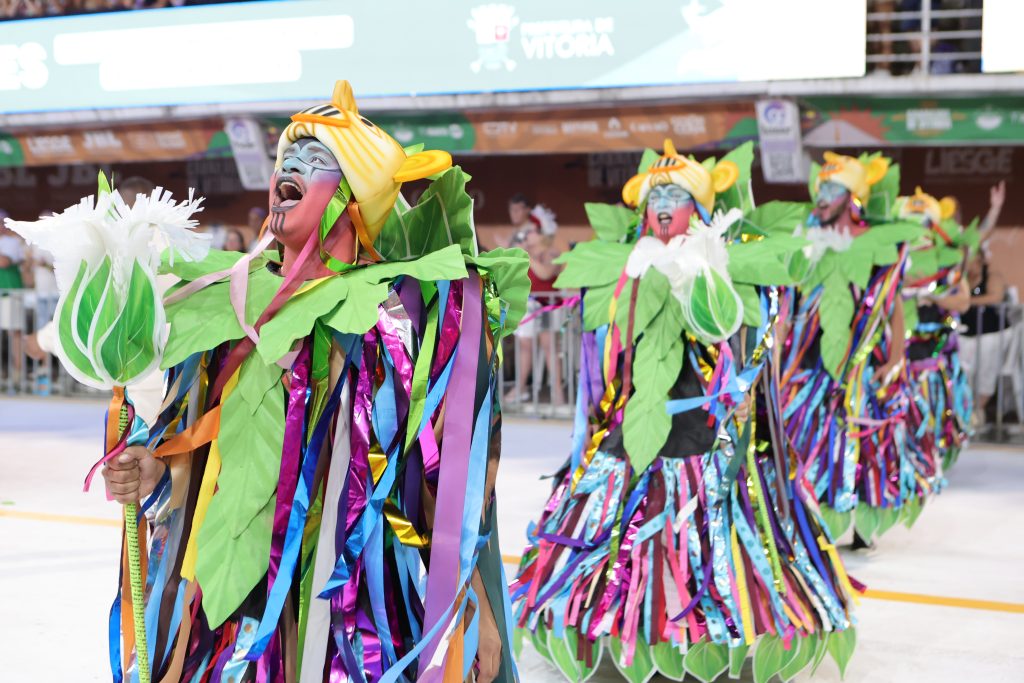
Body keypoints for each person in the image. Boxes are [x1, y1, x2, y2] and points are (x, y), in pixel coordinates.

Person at [96, 81, 527, 682]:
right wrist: (152, 469)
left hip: (346, 613)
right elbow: (198, 443)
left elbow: (440, 477)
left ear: (352, 194)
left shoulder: (397, 317)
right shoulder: (226, 302)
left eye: (316, 160)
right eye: (287, 159)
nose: (291, 168)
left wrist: (471, 600)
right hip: (227, 612)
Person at [512, 140, 860, 682]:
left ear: (698, 206)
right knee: (621, 508)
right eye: (657, 196)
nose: (665, 204)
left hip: (706, 426)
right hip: (636, 422)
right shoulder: (627, 267)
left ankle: (711, 627)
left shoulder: (720, 261)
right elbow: (607, 357)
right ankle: (620, 628)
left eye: (676, 193)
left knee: (712, 521)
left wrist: (742, 376)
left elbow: (746, 337)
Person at [772, 152, 923, 548]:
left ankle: (860, 524)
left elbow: (891, 306)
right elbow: (786, 311)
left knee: (858, 440)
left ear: (853, 197)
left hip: (858, 366)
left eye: (834, 189)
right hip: (806, 366)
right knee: (803, 440)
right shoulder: (804, 246)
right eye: (821, 188)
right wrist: (773, 361)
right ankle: (808, 519)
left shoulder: (875, 245)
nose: (822, 197)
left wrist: (894, 358)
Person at [506, 195, 565, 405]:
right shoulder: (526, 253)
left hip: (548, 307)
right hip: (529, 307)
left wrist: (528, 256)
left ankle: (558, 392)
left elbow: (545, 274)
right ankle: (520, 387)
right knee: (524, 345)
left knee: (549, 347)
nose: (527, 234)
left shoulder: (552, 252)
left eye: (531, 231)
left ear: (541, 234)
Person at [960, 246, 1010, 427]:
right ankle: (962, 409)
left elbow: (995, 297)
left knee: (986, 373)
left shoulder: (991, 276)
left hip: (990, 333)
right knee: (964, 372)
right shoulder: (960, 278)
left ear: (980, 259)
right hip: (965, 333)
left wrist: (965, 302)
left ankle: (976, 410)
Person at [0, 213, 26, 391]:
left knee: (14, 334)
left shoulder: (12, 242)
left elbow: (3, 262)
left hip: (11, 293)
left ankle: (18, 374)